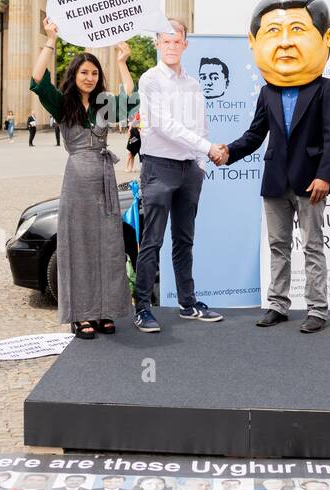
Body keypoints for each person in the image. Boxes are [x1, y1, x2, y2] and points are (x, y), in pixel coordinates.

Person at [223, 0, 330, 334]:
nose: (286, 44)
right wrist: (228, 152)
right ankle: (278, 304)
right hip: (275, 182)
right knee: (278, 247)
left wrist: (325, 176)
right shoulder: (268, 92)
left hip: (310, 183)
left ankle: (318, 309)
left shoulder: (324, 88)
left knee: (313, 247)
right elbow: (254, 135)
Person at [29, 18, 135, 340]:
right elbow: (36, 79)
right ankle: (81, 315)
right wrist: (50, 40)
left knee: (107, 246)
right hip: (77, 181)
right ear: (74, 76)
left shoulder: (104, 105)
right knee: (78, 246)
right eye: (84, 73)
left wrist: (121, 62)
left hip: (104, 180)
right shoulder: (63, 104)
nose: (89, 78)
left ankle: (104, 311)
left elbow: (130, 95)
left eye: (94, 73)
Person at [132, 20, 225, 332]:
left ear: (186, 44)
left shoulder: (194, 84)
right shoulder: (150, 80)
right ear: (157, 44)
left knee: (184, 240)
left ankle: (188, 303)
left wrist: (201, 163)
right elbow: (162, 125)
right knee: (152, 241)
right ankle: (143, 307)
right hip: (159, 167)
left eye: (177, 41)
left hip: (189, 170)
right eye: (165, 41)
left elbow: (201, 125)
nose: (171, 46)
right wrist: (208, 148)